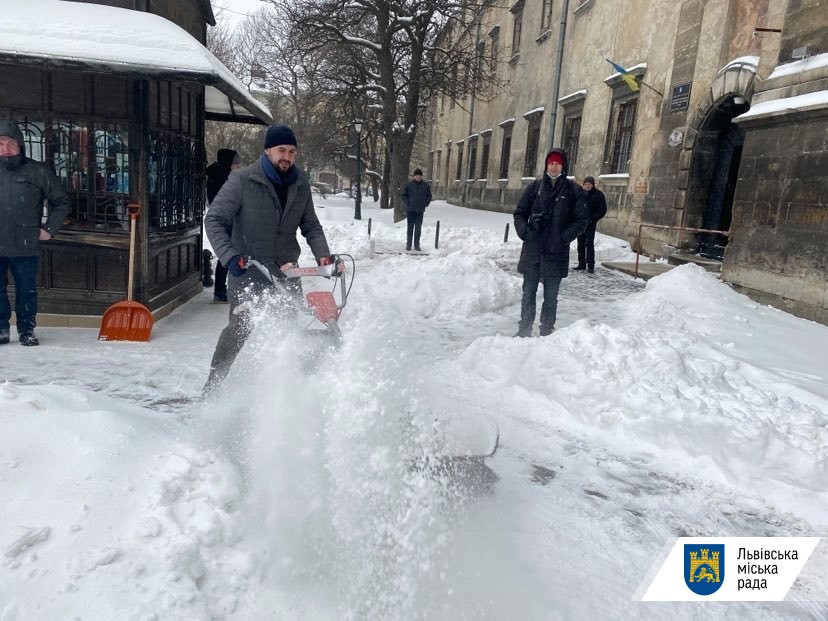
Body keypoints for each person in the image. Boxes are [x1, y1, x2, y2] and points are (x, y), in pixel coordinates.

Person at [203, 124, 331, 392]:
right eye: (281, 150)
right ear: (268, 150)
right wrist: (230, 256)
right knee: (238, 332)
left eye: (292, 151)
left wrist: (323, 254)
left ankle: (282, 394)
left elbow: (311, 226)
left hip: (286, 273)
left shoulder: (300, 184)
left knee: (287, 333)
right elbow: (214, 219)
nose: (287, 156)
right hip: (248, 271)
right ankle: (213, 387)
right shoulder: (242, 180)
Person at [0, 120, 69, 347]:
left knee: (26, 290)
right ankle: (1, 328)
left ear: (20, 145)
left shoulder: (37, 171)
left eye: (11, 144)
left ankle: (26, 330)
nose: (5, 149)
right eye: (0, 144)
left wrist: (49, 229)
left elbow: (61, 202)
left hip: (26, 244)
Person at [512, 149, 588, 337]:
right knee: (528, 294)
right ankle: (524, 330)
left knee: (551, 297)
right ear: (546, 165)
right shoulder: (534, 188)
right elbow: (519, 214)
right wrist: (527, 231)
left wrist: (562, 238)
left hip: (556, 252)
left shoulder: (573, 190)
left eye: (557, 163)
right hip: (533, 251)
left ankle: (546, 331)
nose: (553, 167)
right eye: (550, 163)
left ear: (563, 166)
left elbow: (582, 220)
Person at [205, 148, 242, 302]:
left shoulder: (219, 175)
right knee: (228, 255)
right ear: (229, 164)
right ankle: (221, 291)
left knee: (227, 255)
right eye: (236, 164)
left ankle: (222, 290)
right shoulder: (222, 178)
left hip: (228, 220)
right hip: (226, 221)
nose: (239, 167)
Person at [573, 176, 607, 273]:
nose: (587, 186)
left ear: (593, 185)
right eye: (586, 184)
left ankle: (590, 265)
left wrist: (593, 219)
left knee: (589, 243)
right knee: (580, 244)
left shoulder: (598, 195)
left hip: (590, 223)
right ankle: (581, 264)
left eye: (589, 184)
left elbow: (602, 209)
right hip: (580, 223)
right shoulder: (580, 194)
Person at [400, 168, 432, 251]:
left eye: (419, 175)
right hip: (411, 210)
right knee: (410, 228)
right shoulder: (409, 185)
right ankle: (409, 244)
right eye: (416, 175)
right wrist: (408, 202)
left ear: (421, 176)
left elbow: (429, 196)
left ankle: (417, 245)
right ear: (414, 176)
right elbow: (403, 195)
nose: (418, 177)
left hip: (420, 211)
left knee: (418, 229)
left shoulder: (425, 185)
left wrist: (425, 203)